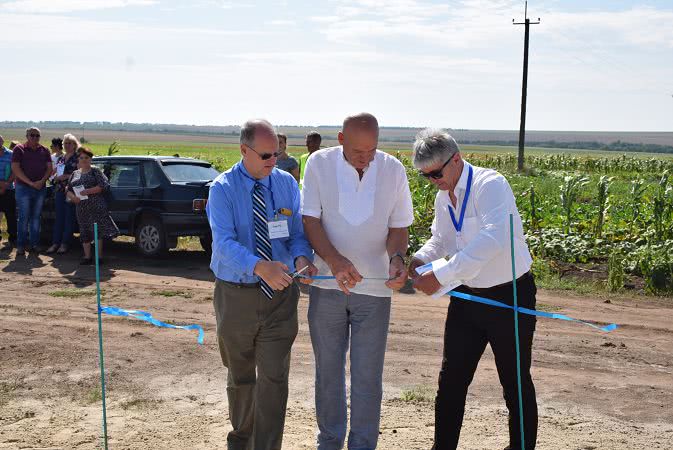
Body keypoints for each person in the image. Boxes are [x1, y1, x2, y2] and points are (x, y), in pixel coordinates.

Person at [408, 129, 538, 450]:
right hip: (467, 298)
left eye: (437, 172)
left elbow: (495, 238)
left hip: (510, 297)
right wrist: (419, 259)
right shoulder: (443, 196)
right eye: (426, 176)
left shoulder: (489, 185)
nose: (433, 181)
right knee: (451, 381)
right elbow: (440, 239)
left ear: (457, 159)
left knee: (514, 383)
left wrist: (444, 273)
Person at [301, 112, 414, 449]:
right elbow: (310, 220)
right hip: (326, 285)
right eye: (358, 152)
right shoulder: (318, 164)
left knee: (368, 377)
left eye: (372, 151)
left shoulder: (393, 169)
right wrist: (335, 262)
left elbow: (399, 227)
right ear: (340, 140)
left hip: (376, 291)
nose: (366, 159)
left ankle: (364, 444)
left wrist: (396, 259)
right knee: (328, 374)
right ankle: (330, 441)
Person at [206, 119, 317, 450]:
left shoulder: (285, 184)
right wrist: (258, 266)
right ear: (244, 150)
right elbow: (223, 242)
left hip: (281, 297)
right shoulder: (222, 189)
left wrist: (300, 258)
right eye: (267, 155)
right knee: (241, 377)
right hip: (235, 296)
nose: (274, 161)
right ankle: (241, 441)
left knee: (273, 379)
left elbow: (297, 232)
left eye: (277, 154)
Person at [66, 147, 119, 265]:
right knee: (84, 230)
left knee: (97, 232)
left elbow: (104, 186)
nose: (84, 160)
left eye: (86, 157)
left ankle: (99, 257)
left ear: (90, 159)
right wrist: (73, 197)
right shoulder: (75, 173)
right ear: (78, 159)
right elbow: (68, 189)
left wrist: (88, 191)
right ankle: (87, 257)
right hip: (81, 208)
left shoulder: (95, 171)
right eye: (81, 158)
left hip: (96, 206)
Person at [11, 127, 52, 255]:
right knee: (24, 217)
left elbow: (49, 168)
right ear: (27, 136)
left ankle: (34, 244)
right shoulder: (19, 149)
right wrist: (30, 183)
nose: (35, 137)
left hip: (40, 188)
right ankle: (21, 246)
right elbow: (16, 169)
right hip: (23, 188)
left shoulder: (44, 150)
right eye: (32, 135)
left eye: (37, 135)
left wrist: (41, 181)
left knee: (36, 218)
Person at [46, 134, 80, 254]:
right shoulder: (61, 158)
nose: (67, 145)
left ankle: (65, 244)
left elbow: (79, 174)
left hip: (70, 192)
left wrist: (65, 176)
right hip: (59, 191)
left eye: (70, 143)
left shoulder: (78, 158)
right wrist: (54, 176)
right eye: (65, 143)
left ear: (75, 145)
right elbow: (56, 171)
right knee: (59, 218)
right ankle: (55, 243)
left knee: (68, 219)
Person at [0, 135, 17, 250]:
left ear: (2, 141)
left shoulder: (11, 154)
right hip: (3, 186)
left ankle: (12, 240)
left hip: (9, 189)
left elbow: (15, 171)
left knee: (10, 216)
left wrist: (6, 184)